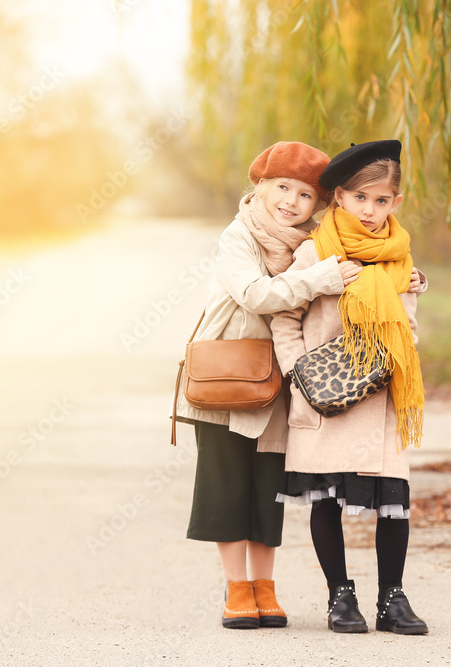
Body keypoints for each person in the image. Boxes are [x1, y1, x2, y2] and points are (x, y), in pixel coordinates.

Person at [171, 141, 365, 630]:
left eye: (305, 195)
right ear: (259, 186)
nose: (291, 201)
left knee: (266, 493)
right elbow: (256, 294)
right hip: (228, 382)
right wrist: (321, 279)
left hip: (278, 387)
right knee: (224, 486)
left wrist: (408, 280)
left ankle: (265, 589)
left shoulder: (311, 246)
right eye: (283, 187)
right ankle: (237, 589)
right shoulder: (239, 237)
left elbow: (365, 267)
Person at [271, 139, 428, 635]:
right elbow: (284, 316)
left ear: (395, 203)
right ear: (338, 197)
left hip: (379, 394)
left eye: (381, 201)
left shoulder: (399, 259)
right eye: (360, 198)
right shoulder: (313, 252)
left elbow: (409, 325)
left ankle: (392, 598)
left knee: (393, 500)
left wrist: (395, 350)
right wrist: (300, 374)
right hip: (323, 395)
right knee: (326, 497)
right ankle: (340, 594)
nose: (370, 210)